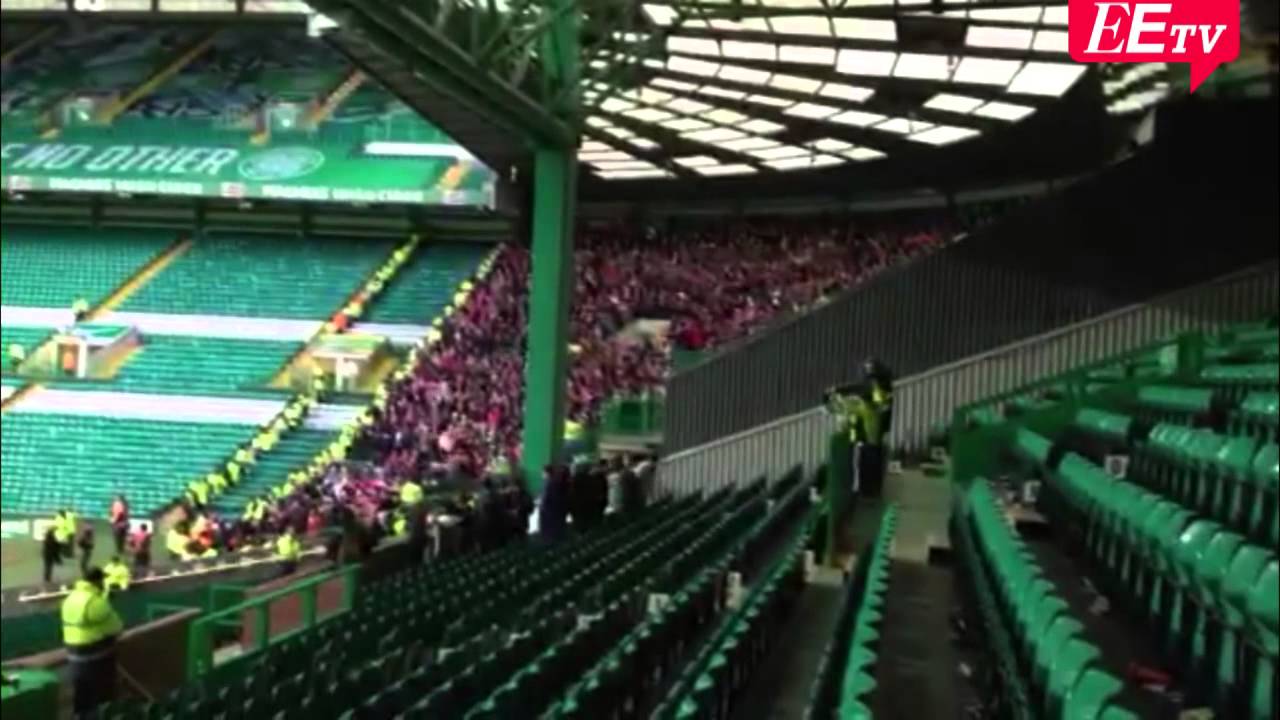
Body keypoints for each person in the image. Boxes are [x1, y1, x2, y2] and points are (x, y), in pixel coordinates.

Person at [62, 567, 123, 714]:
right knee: (102, 695)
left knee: (81, 695)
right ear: (96, 581)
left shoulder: (70, 599)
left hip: (73, 655)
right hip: (98, 655)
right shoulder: (96, 602)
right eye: (102, 580)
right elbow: (116, 627)